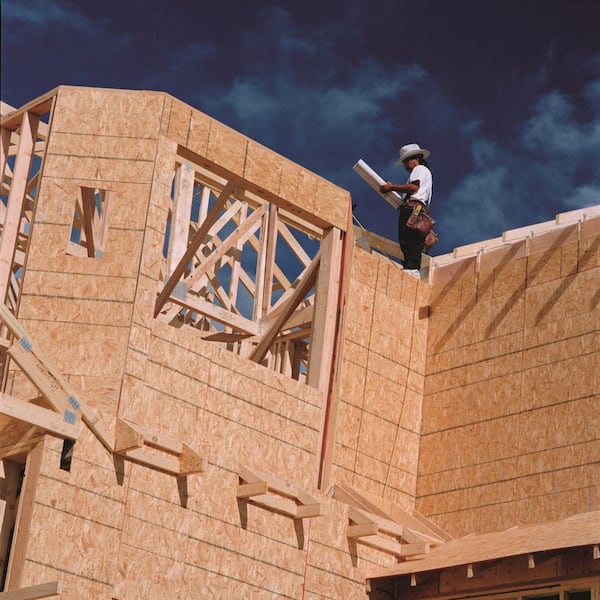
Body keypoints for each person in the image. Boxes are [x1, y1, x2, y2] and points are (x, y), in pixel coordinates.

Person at [380, 143, 433, 276]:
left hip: (413, 208)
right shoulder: (423, 172)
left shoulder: (419, 169)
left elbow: (414, 188)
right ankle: (411, 268)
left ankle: (412, 268)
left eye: (406, 161)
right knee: (410, 239)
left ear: (416, 158)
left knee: (408, 239)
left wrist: (391, 187)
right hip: (417, 209)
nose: (405, 166)